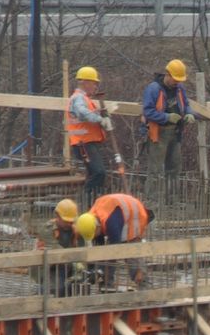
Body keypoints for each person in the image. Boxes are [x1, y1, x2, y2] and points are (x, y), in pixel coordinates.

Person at [79, 193, 154, 290]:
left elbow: (114, 252)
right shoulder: (90, 219)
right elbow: (98, 248)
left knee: (130, 255)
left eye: (94, 234)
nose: (94, 237)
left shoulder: (111, 223)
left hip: (135, 217)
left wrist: (100, 270)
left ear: (97, 227)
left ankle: (145, 287)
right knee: (103, 254)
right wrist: (93, 269)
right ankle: (106, 286)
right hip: (120, 212)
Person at [140, 59, 194, 187]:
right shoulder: (153, 89)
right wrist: (166, 117)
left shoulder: (179, 88)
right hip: (158, 134)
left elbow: (185, 104)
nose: (177, 82)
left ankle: (171, 202)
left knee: (174, 169)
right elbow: (148, 111)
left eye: (179, 80)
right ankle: (152, 203)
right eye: (175, 79)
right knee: (155, 171)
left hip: (175, 133)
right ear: (167, 74)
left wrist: (189, 113)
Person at [65, 65, 113, 207]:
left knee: (94, 174)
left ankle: (91, 205)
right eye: (94, 83)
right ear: (85, 82)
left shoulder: (85, 99)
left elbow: (87, 115)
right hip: (83, 143)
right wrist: (100, 119)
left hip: (88, 143)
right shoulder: (78, 98)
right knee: (99, 173)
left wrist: (100, 115)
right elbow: (82, 113)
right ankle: (84, 202)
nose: (96, 87)